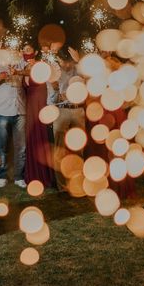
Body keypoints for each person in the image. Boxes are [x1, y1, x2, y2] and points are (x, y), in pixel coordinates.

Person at [0, 51, 27, 189]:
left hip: (20, 110)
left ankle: (19, 176)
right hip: (1, 111)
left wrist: (20, 72)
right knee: (1, 147)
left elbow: (32, 71)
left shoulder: (19, 61)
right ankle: (2, 175)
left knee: (21, 147)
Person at [51, 54, 86, 192]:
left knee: (79, 148)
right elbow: (51, 99)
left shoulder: (80, 71)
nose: (66, 63)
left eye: (68, 60)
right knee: (59, 150)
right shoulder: (55, 74)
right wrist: (56, 91)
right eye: (63, 60)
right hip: (62, 111)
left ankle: (77, 182)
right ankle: (63, 186)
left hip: (78, 111)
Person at [22, 44, 55, 187]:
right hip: (30, 108)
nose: (25, 52)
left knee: (42, 137)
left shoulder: (40, 65)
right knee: (31, 137)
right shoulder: (23, 68)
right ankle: (33, 173)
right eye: (23, 50)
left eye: (28, 49)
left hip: (40, 106)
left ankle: (46, 174)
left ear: (35, 52)